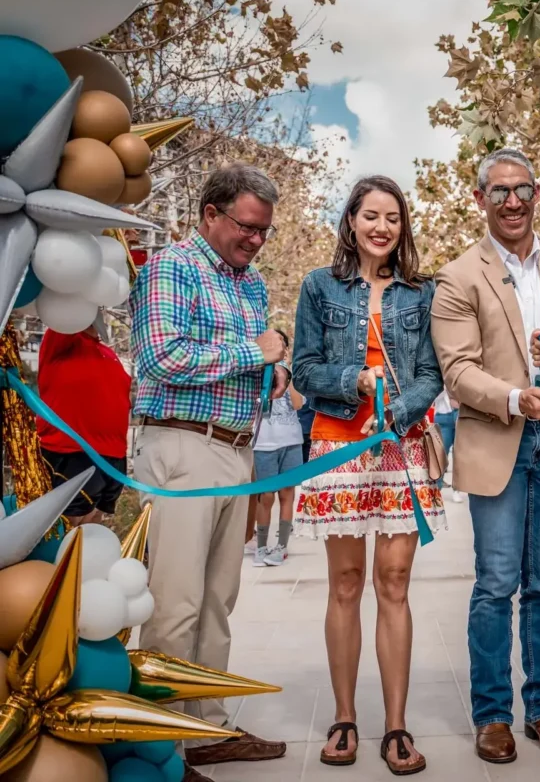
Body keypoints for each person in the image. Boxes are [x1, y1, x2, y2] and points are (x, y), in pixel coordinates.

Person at [430, 148, 540, 764]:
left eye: (522, 189)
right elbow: (457, 371)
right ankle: (492, 715)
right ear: (480, 200)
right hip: (497, 435)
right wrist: (513, 395)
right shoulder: (458, 275)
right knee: (495, 583)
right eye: (499, 191)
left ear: (539, 194)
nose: (512, 201)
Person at [129, 162, 290, 781]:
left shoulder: (250, 284)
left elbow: (247, 362)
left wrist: (272, 373)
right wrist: (259, 352)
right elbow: (162, 357)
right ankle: (160, 748)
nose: (255, 240)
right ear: (210, 214)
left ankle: (208, 729)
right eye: (248, 227)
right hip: (181, 447)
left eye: (263, 232)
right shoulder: (173, 266)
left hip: (235, 450)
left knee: (218, 599)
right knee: (175, 604)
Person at [291, 175, 446, 775]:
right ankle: (345, 717)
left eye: (394, 218)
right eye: (372, 215)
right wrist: (353, 381)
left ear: (402, 227)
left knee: (396, 581)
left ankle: (398, 726)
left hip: (400, 445)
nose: (383, 227)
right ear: (351, 220)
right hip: (338, 446)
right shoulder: (317, 286)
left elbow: (432, 372)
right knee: (347, 583)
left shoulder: (421, 294)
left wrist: (400, 412)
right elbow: (304, 368)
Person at [36, 324, 131, 525]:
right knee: (64, 532)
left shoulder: (107, 352)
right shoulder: (61, 340)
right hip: (72, 455)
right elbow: (64, 316)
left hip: (112, 458)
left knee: (89, 536)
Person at [250, 332, 303, 567]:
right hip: (263, 442)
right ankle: (260, 546)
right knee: (266, 497)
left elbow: (299, 403)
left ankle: (281, 546)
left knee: (286, 495)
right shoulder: (256, 371)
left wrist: (288, 373)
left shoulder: (292, 372)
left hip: (291, 440)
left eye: (281, 345)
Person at [433, 389, 464, 502]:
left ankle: (457, 490)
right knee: (440, 456)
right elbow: (433, 395)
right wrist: (447, 387)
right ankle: (436, 489)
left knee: (459, 456)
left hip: (460, 414)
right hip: (443, 416)